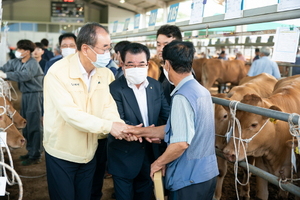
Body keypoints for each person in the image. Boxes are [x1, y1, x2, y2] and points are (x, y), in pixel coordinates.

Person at [43, 22, 132, 200]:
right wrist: (109, 126)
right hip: (62, 152)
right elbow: (71, 114)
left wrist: (119, 126)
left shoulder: (105, 73)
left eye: (109, 47)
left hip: (89, 153)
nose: (109, 53)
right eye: (104, 48)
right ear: (85, 48)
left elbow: (108, 106)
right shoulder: (58, 73)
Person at [124, 41, 219, 200]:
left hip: (189, 179)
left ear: (167, 65)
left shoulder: (182, 96)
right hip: (207, 175)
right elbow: (177, 127)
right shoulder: (201, 91)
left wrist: (158, 163)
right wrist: (137, 130)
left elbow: (180, 143)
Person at [108, 42, 170, 200]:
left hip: (150, 154)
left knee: (145, 194)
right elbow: (119, 121)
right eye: (130, 64)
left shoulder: (155, 86)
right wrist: (151, 133)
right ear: (122, 65)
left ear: (147, 64)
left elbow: (167, 114)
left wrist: (164, 133)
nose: (136, 68)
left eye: (141, 64)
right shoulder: (114, 88)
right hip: (123, 155)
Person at [0, 39, 44, 166]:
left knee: (34, 125)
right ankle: (30, 151)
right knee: (25, 123)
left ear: (27, 52)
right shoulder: (16, 62)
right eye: (18, 49)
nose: (18, 52)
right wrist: (2, 72)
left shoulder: (32, 63)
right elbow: (4, 68)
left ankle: (35, 155)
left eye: (20, 49)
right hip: (25, 95)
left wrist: (5, 75)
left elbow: (24, 76)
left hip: (35, 95)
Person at [156, 25, 183, 105]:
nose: (161, 49)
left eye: (166, 45)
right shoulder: (164, 69)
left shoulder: (181, 72)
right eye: (158, 45)